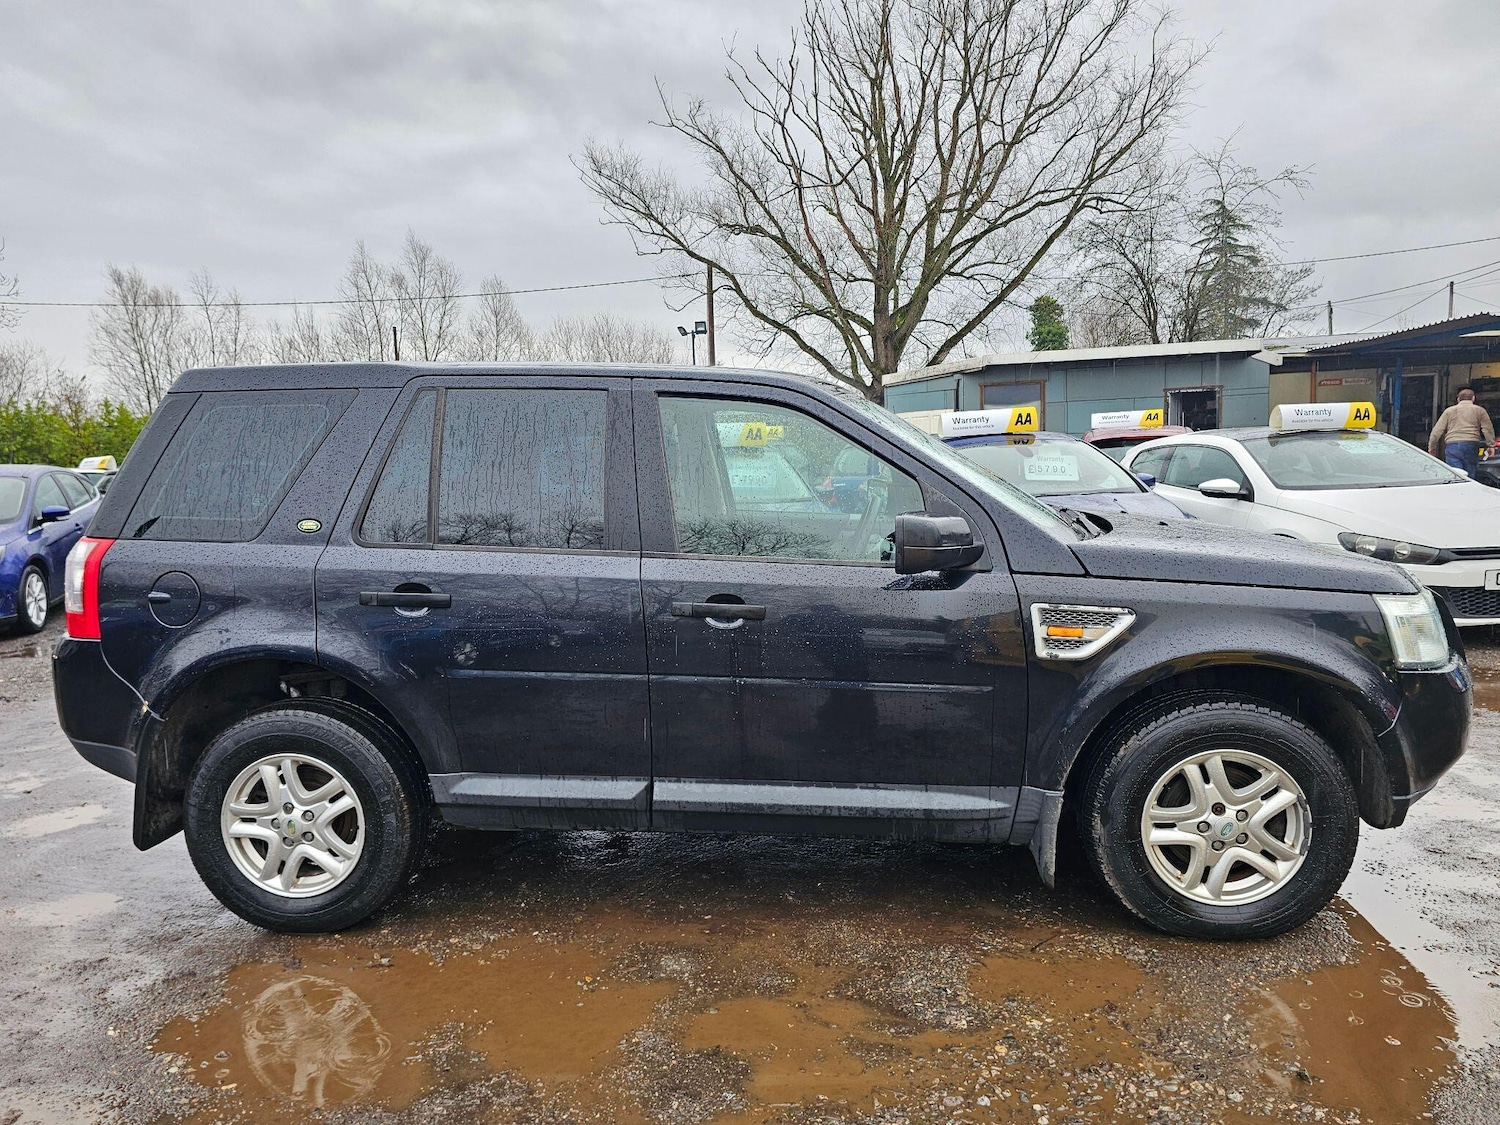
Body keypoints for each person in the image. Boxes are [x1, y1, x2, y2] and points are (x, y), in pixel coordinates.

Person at [1428, 388, 1495, 475]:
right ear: (1473, 398)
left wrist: (1432, 447)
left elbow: (1436, 431)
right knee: (1469, 475)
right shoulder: (1480, 410)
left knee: (1455, 475)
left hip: (1452, 445)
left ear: (1458, 399)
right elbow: (1487, 429)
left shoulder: (1449, 411)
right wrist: (1491, 445)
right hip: (1471, 444)